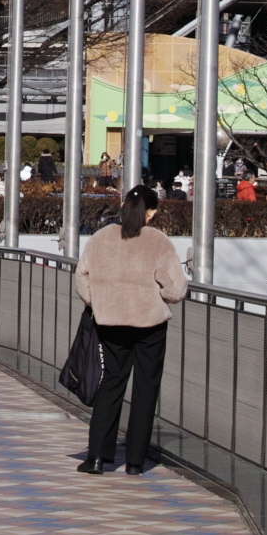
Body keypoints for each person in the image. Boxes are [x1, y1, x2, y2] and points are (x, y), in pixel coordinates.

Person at [73, 182, 188, 475]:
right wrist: (152, 297)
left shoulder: (101, 238)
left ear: (123, 206)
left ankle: (97, 456)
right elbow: (176, 290)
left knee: (110, 384)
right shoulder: (159, 242)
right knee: (145, 388)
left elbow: (82, 278)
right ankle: (135, 462)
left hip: (110, 321)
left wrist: (99, 301)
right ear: (151, 213)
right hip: (149, 324)